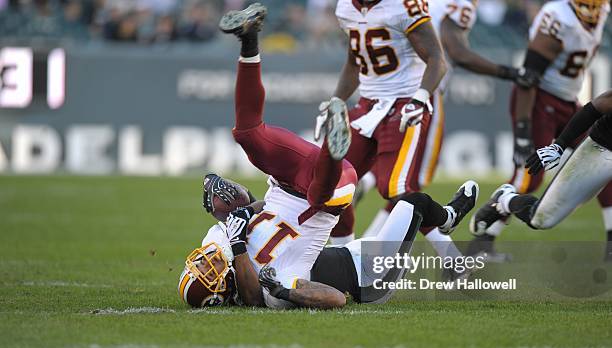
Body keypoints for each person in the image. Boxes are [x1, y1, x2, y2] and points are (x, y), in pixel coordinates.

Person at [177, 3, 480, 309]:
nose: (206, 262)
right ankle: (341, 155)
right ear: (222, 291)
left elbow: (260, 212)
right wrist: (284, 291)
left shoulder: (217, 242)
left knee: (247, 135)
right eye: (206, 272)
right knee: (387, 200)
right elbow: (334, 299)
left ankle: (249, 41)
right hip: (369, 274)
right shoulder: (273, 290)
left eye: (200, 265)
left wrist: (241, 212)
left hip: (288, 185)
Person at [351, 0, 532, 244]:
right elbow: (457, 53)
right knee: (410, 184)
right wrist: (510, 73)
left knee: (398, 182)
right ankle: (449, 252)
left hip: (389, 89)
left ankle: (369, 224)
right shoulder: (457, 4)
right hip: (422, 90)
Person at [468, 0, 611, 260]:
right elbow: (528, 77)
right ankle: (480, 245)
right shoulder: (558, 18)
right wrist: (523, 132)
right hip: (540, 100)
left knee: (606, 162)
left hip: (569, 101)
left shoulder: (602, 13)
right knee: (528, 176)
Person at [324, 0, 455, 259]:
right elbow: (355, 62)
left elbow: (438, 60)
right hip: (368, 104)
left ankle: (453, 256)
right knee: (333, 181)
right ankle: (342, 259)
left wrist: (420, 98)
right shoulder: (345, 8)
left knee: (394, 188)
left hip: (405, 102)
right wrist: (336, 102)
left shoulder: (404, 5)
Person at [470, 90, 612, 262]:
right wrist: (558, 146)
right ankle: (505, 201)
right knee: (541, 219)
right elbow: (597, 106)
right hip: (603, 151)